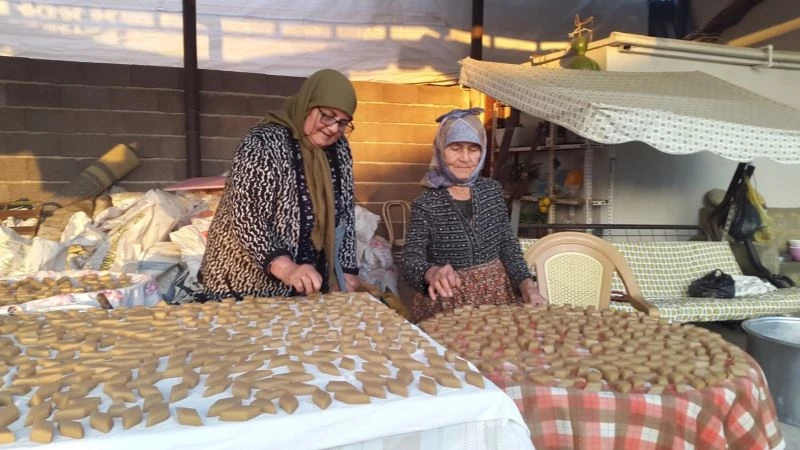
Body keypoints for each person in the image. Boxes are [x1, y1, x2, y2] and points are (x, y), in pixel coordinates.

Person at [198, 69, 361, 300]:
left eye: (343, 122)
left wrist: (346, 270)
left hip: (305, 281)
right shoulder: (263, 142)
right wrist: (286, 268)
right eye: (327, 115)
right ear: (307, 106)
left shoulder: (339, 149)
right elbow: (246, 216)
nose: (334, 128)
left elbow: (344, 212)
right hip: (244, 280)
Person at [400, 108, 546, 322]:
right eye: (455, 148)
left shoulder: (492, 191)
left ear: (483, 151)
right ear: (441, 149)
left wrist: (527, 285)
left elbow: (507, 246)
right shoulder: (427, 203)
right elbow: (410, 259)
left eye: (473, 149)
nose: (465, 158)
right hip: (450, 303)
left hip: (498, 297)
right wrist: (431, 272)